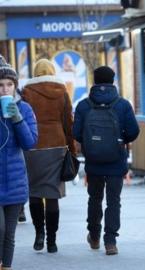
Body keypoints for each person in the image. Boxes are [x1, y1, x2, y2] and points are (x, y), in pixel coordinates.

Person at [73, 66, 139, 255]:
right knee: (113, 201)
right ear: (112, 80)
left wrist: (91, 144)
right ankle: (110, 241)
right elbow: (134, 131)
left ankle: (94, 236)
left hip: (93, 161)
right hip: (116, 161)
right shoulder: (122, 104)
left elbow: (76, 133)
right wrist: (120, 141)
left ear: (94, 81)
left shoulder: (84, 105)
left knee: (94, 198)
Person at [22, 58, 76, 253]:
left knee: (35, 193)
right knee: (52, 196)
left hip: (33, 146)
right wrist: (72, 149)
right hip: (56, 145)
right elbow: (68, 124)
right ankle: (52, 241)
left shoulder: (26, 92)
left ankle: (39, 235)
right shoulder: (62, 91)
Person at [0, 55, 38, 270]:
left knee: (10, 235)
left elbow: (29, 142)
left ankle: (7, 266)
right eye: (1, 85)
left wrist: (17, 119)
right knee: (0, 230)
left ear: (15, 86)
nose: (5, 90)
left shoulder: (24, 109)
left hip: (15, 181)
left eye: (9, 85)